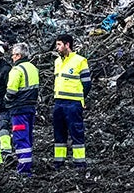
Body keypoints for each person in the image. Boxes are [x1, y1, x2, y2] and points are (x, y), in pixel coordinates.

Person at [52, 33, 91, 171]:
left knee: (76, 132)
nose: (57, 48)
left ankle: (79, 163)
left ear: (67, 45)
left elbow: (87, 84)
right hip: (59, 103)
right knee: (59, 132)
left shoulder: (80, 61)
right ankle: (59, 162)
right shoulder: (57, 62)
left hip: (73, 103)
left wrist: (80, 98)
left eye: (59, 44)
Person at [4, 42, 39, 177]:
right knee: (28, 138)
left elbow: (11, 91)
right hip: (30, 108)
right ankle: (27, 166)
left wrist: (6, 101)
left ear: (18, 55)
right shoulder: (33, 68)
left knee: (21, 139)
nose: (12, 58)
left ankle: (23, 170)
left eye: (13, 55)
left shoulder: (17, 70)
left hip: (19, 110)